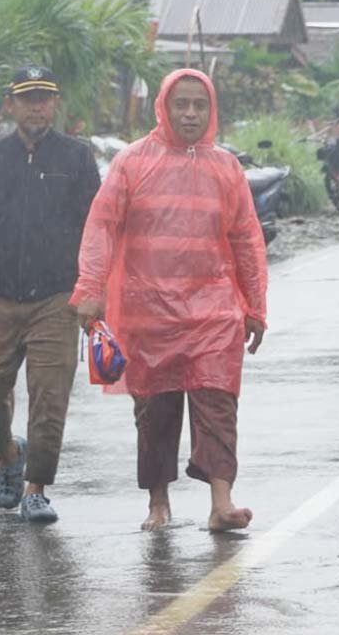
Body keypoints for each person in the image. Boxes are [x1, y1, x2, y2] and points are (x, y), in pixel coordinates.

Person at [72, 69, 268, 532]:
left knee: (218, 402)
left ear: (212, 109)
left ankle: (222, 502)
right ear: (163, 106)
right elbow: (102, 226)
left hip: (214, 308)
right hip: (148, 309)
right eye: (181, 103)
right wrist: (90, 289)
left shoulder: (226, 167)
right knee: (155, 410)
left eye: (200, 104)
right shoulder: (132, 162)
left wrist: (255, 304)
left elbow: (246, 239)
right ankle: (158, 503)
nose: (190, 113)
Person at [0, 66, 101, 523]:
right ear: (9, 103)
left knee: (50, 396)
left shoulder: (77, 158)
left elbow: (97, 228)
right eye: (27, 97)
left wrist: (96, 289)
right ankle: (9, 453)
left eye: (44, 98)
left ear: (55, 104)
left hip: (56, 297)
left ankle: (36, 489)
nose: (36, 106)